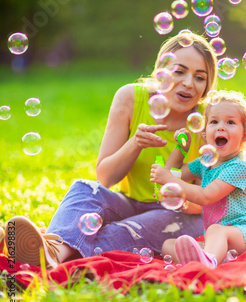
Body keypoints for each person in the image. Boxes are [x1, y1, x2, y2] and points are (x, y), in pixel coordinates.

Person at [0, 32, 219, 268]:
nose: (188, 83)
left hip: (182, 216)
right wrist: (135, 142)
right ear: (161, 72)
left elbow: (210, 200)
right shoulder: (131, 98)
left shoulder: (210, 119)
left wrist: (181, 198)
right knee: (85, 189)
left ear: (208, 84)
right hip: (129, 203)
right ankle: (51, 251)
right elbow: (105, 178)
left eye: (199, 77)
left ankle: (51, 251)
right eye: (179, 71)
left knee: (126, 230)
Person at [150, 90, 246, 268]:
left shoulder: (239, 167)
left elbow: (205, 196)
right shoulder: (206, 162)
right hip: (219, 239)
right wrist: (181, 149)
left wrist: (169, 178)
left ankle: (208, 262)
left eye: (230, 122)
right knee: (168, 245)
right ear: (205, 133)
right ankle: (215, 256)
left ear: (245, 135)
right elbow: (175, 173)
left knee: (215, 230)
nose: (221, 127)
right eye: (214, 122)